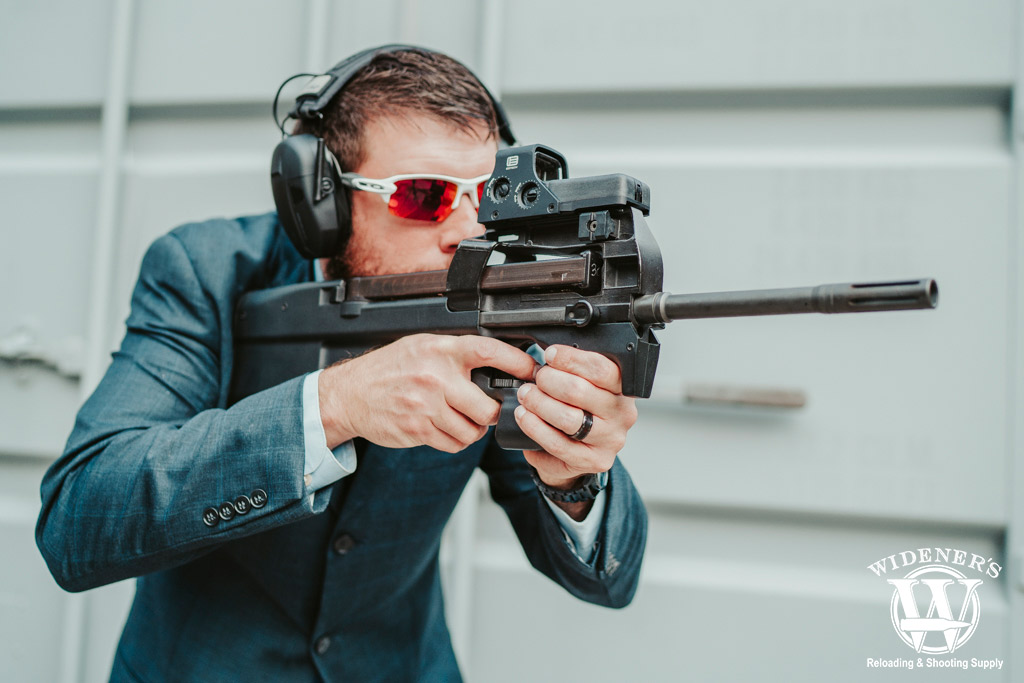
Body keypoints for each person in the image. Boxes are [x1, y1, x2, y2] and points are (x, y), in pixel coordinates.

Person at [36, 45, 647, 682]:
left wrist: (576, 478)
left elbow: (609, 582)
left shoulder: (500, 297)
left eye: (484, 196)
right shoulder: (205, 271)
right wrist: (334, 404)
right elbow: (77, 522)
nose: (466, 229)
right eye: (424, 195)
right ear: (319, 200)